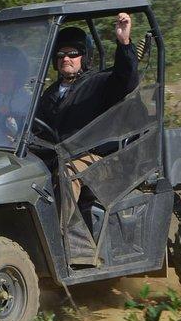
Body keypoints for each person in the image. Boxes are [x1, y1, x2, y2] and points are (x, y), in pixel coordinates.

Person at [37, 13, 139, 203]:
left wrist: (124, 42)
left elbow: (127, 80)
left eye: (73, 54)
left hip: (97, 157)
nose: (66, 58)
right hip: (58, 155)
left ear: (84, 57)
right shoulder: (49, 93)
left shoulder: (98, 83)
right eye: (61, 54)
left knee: (68, 173)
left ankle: (62, 232)